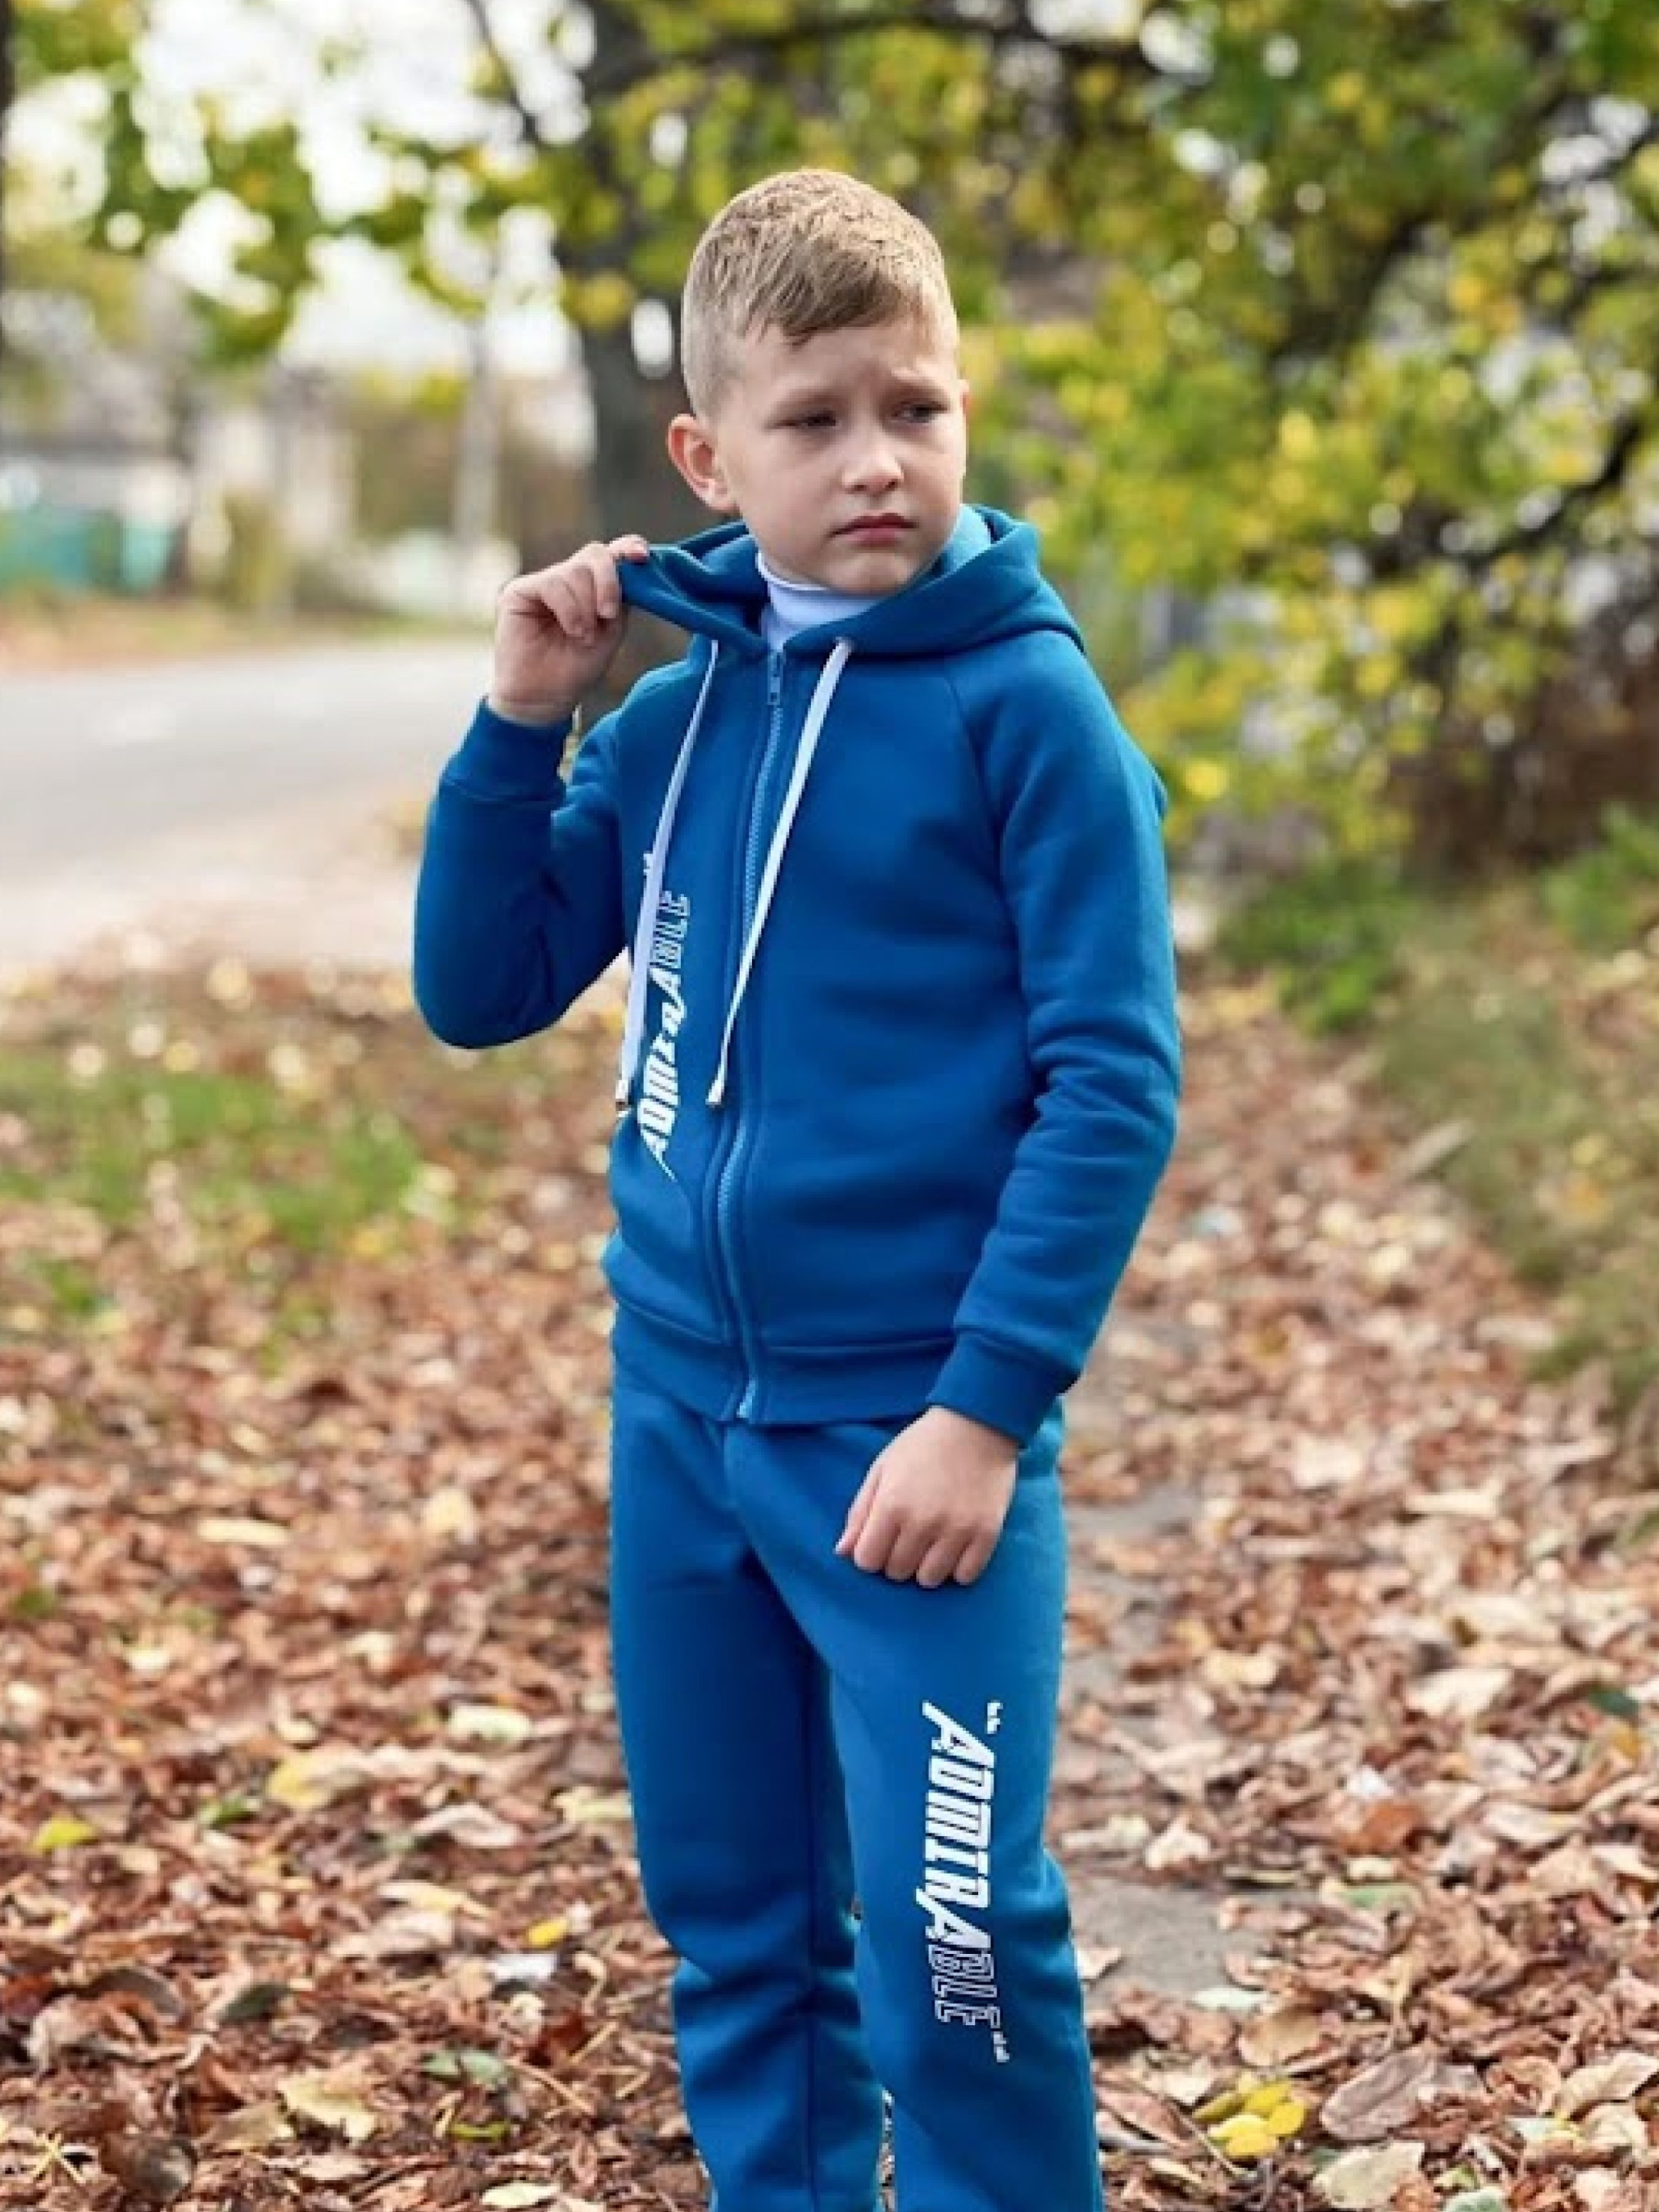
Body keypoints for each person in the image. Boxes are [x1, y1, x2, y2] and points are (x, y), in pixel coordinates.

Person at [413, 168, 1181, 2212]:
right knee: (740, 1928)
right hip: (681, 1421)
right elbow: (483, 987)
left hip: (909, 1438)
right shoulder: (679, 719)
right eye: (813, 419)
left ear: (962, 410)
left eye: (913, 409)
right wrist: (518, 722)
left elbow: (1110, 1085)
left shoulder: (1030, 715)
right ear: (705, 458)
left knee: (954, 1948)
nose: (873, 462)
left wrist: (982, 1411)